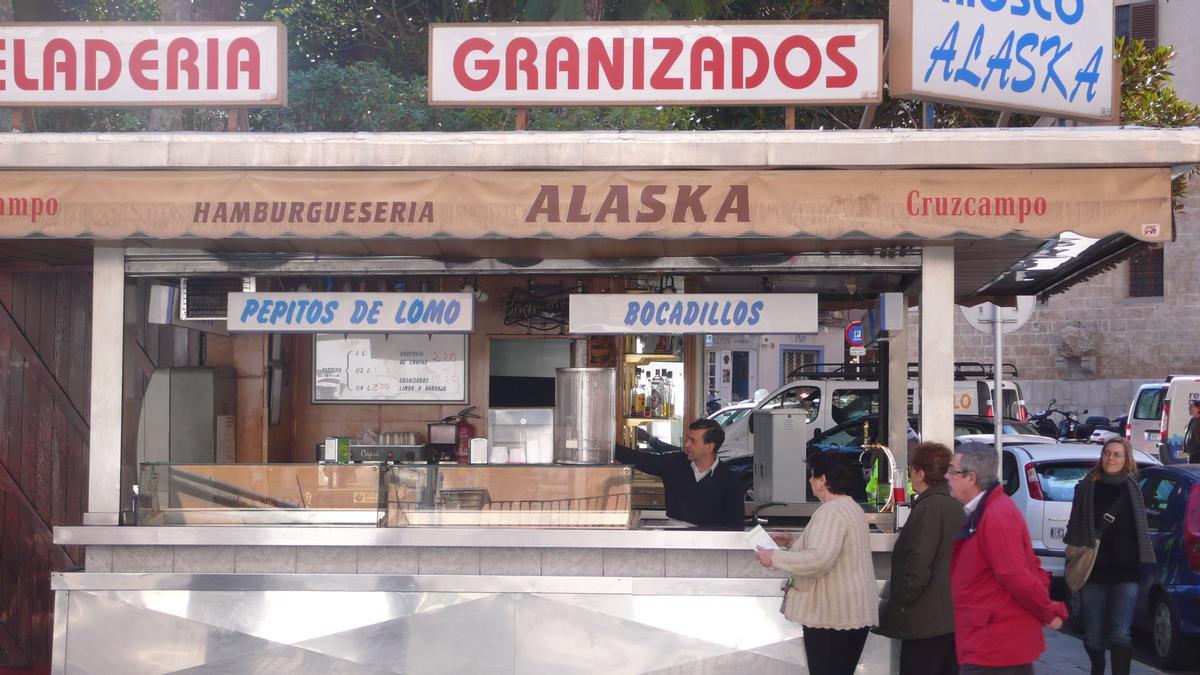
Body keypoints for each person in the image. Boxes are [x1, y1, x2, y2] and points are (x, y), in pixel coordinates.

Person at [946, 442, 1068, 674]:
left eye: (952, 471)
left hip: (995, 644)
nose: (946, 476)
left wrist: (1048, 610)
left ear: (971, 477)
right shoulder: (986, 510)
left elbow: (1017, 575)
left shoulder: (996, 515)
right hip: (988, 640)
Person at [754, 451, 878, 675]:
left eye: (812, 476)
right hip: (849, 614)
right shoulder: (851, 507)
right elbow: (829, 551)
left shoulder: (831, 511)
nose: (810, 481)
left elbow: (819, 559)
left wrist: (774, 557)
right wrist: (791, 541)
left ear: (823, 481)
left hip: (833, 616)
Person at [1063, 439, 1154, 675]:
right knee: (1093, 637)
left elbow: (1141, 528)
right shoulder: (1086, 487)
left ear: (1126, 460)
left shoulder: (1133, 488)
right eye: (1107, 453)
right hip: (1094, 571)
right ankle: (1097, 666)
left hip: (1126, 572)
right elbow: (1074, 526)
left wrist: (1143, 561)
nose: (1111, 458)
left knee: (1120, 633)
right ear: (1101, 456)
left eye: (1117, 454)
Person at [877, 442, 964, 675]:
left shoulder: (929, 508)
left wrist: (901, 598)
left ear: (921, 473)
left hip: (926, 620)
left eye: (912, 470)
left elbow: (918, 562)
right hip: (952, 618)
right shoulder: (956, 505)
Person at [614, 418, 744, 530]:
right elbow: (640, 459)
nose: (686, 445)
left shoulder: (729, 479)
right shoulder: (674, 463)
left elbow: (736, 526)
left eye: (693, 441)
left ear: (709, 447)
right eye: (687, 439)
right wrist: (608, 446)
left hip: (710, 546)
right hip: (673, 538)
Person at [1185, 399, 1200, 464]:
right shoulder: (1193, 419)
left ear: (1198, 408)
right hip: (1192, 455)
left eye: (1191, 406)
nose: (1189, 408)